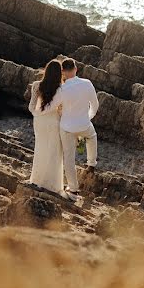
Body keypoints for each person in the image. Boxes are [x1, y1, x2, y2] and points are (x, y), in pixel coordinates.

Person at [50, 58, 99, 197]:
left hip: (67, 128)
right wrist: (87, 117)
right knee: (92, 136)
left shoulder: (62, 89)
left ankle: (73, 189)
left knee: (69, 158)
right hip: (84, 124)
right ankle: (91, 163)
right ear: (76, 69)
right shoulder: (87, 83)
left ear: (63, 73)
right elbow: (95, 105)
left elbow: (54, 106)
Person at [27, 59, 65, 195]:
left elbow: (31, 107)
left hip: (39, 122)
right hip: (53, 122)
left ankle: (36, 179)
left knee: (40, 150)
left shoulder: (36, 85)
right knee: (54, 153)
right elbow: (56, 108)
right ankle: (51, 185)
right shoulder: (61, 89)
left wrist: (38, 114)